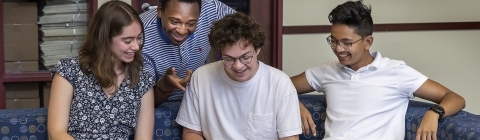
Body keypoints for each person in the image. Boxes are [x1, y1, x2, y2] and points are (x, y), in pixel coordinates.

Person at [291, 1, 466, 140]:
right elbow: (279, 85)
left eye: (347, 43)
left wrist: (434, 113)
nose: (338, 49)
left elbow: (455, 98)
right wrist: (293, 104)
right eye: (334, 41)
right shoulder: (326, 70)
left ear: (368, 42)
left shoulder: (396, 72)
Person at [175, 12, 302, 140]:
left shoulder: (280, 83)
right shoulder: (201, 77)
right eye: (229, 59)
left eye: (245, 57)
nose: (238, 66)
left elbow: (289, 138)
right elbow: (192, 133)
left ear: (257, 49)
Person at [47, 1, 155, 139]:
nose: (136, 46)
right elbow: (56, 133)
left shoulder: (142, 81)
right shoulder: (68, 71)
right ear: (104, 39)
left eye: (139, 38)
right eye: (127, 41)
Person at [140, 0, 236, 106]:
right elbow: (144, 103)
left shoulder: (212, 9)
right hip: (162, 105)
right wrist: (166, 85)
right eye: (175, 22)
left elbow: (247, 32)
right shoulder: (140, 38)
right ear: (160, 11)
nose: (182, 31)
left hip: (202, 97)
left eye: (191, 24)